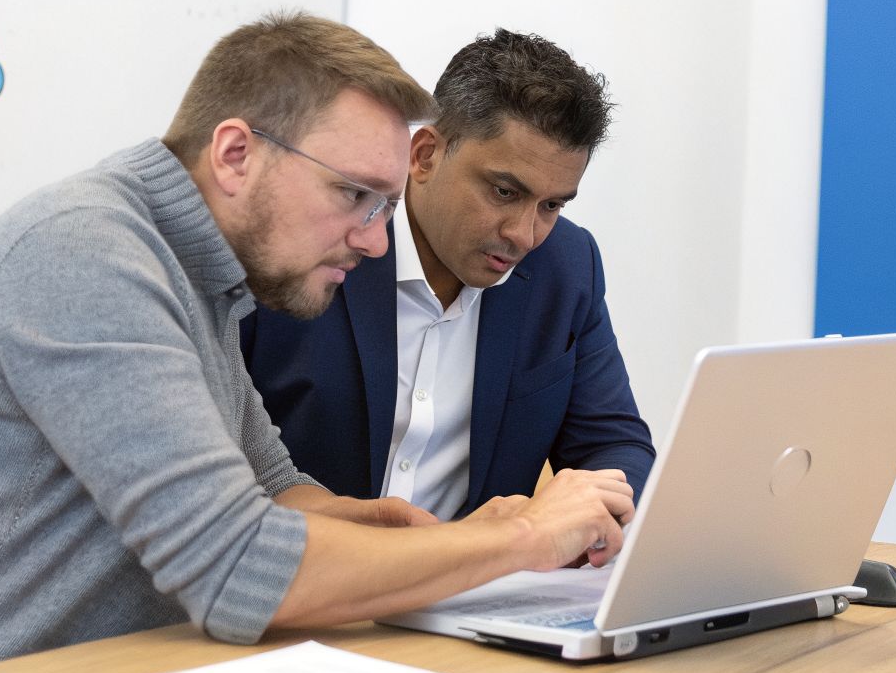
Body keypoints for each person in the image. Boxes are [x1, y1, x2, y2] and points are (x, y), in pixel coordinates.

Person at [0, 13, 633, 673]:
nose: (376, 241)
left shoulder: (207, 277)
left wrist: (418, 527)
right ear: (236, 155)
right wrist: (520, 543)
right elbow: (240, 566)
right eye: (353, 195)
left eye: (385, 206)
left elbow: (277, 495)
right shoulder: (84, 253)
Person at [241, 29, 655, 522]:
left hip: (474, 590)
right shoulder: (308, 243)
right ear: (425, 156)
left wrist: (598, 509)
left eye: (551, 206)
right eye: (504, 192)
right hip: (305, 579)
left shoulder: (566, 266)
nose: (524, 234)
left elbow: (615, 444)